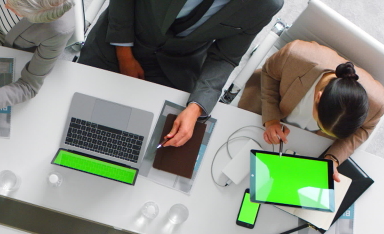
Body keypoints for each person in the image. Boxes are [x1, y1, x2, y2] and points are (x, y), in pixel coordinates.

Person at [77, 0, 284, 148]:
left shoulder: (266, 4)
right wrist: (125, 56)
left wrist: (196, 107)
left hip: (176, 64)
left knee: (149, 145)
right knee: (79, 117)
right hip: (121, 39)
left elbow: (224, 57)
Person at [238, 40, 384, 179]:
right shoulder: (294, 55)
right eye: (321, 125)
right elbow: (269, 73)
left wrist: (333, 159)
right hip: (266, 111)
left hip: (311, 145)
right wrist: (271, 119)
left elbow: (364, 129)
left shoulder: (377, 104)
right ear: (318, 97)